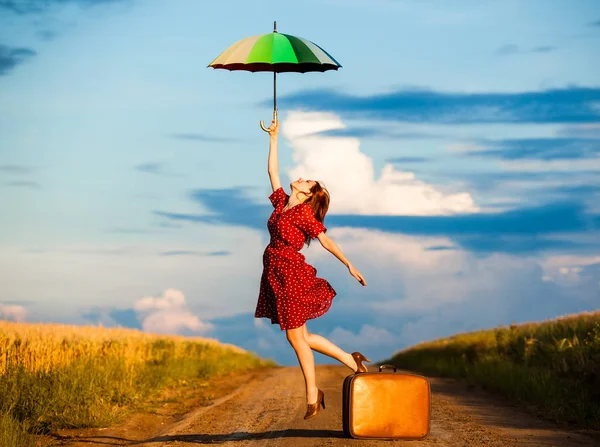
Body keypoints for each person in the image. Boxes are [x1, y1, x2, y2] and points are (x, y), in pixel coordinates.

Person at [254, 117, 370, 421]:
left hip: (291, 273)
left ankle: (312, 395)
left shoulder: (304, 213)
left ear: (308, 194)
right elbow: (272, 171)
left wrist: (349, 265)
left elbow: (325, 240)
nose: (302, 178)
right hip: (275, 272)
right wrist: (274, 137)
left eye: (307, 181)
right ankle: (351, 359)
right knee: (302, 335)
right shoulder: (282, 204)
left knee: (295, 338)